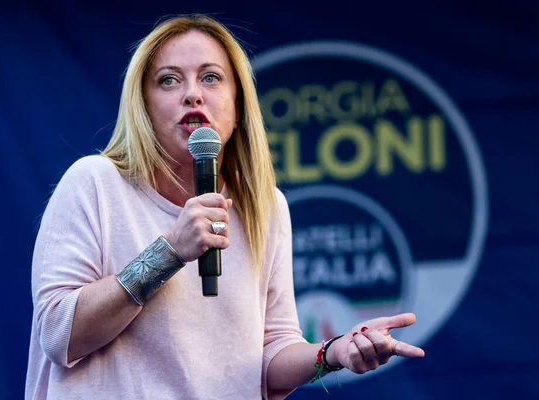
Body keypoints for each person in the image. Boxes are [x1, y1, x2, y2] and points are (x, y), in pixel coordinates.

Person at [25, 13, 425, 400]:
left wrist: (334, 352)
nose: (192, 94)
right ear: (142, 107)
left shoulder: (265, 207)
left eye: (211, 77)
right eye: (168, 81)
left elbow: (271, 353)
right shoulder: (95, 183)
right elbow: (59, 334)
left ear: (238, 106)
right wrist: (169, 253)